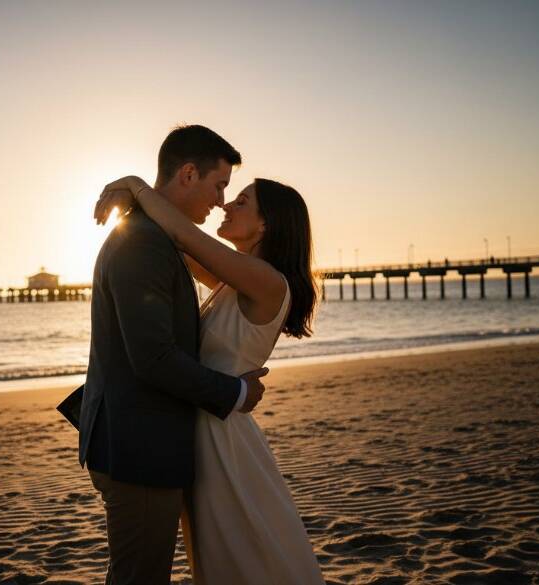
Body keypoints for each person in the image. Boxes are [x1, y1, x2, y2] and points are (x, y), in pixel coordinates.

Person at [94, 170, 325, 583]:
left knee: (237, 555)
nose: (225, 205)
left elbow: (184, 236)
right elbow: (170, 241)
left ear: (265, 224)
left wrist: (134, 184)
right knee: (218, 556)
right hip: (204, 425)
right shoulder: (230, 281)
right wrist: (135, 204)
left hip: (222, 438)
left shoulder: (268, 281)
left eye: (241, 201)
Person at [77, 125, 272, 585]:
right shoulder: (142, 243)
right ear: (188, 174)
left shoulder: (158, 239)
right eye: (219, 184)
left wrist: (140, 192)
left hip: (144, 440)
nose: (222, 199)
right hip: (138, 446)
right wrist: (236, 391)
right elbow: (154, 358)